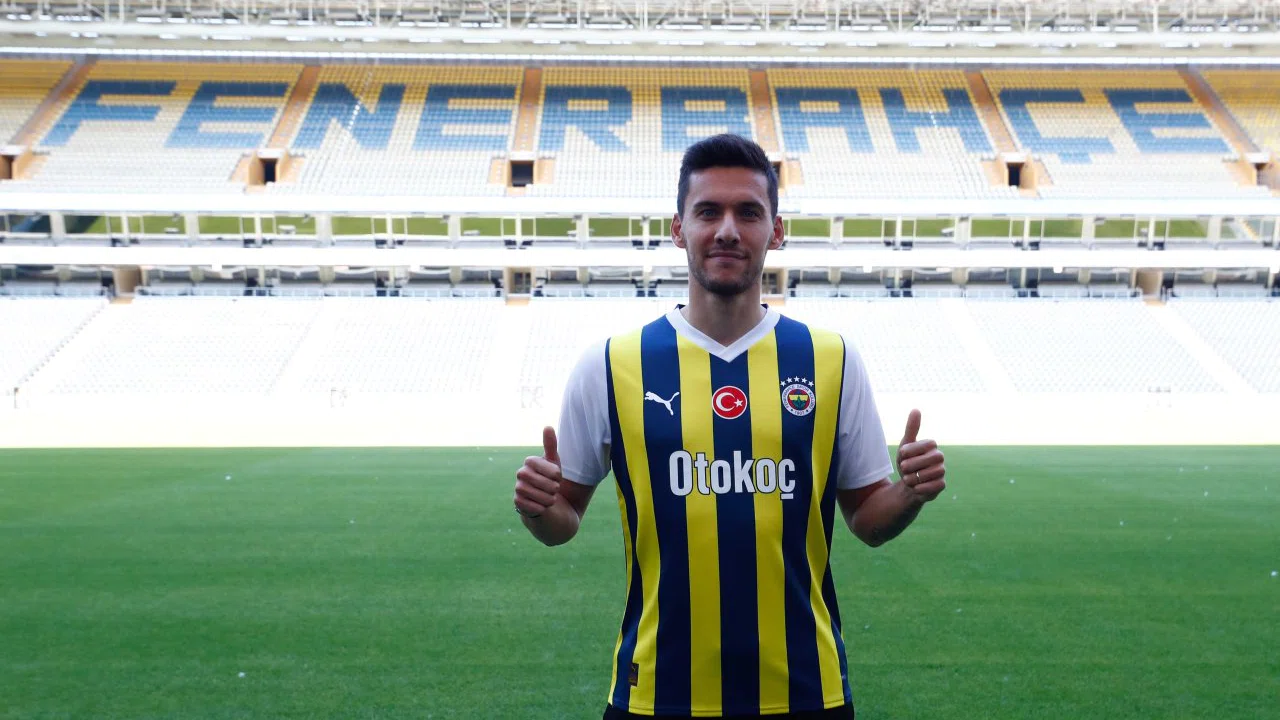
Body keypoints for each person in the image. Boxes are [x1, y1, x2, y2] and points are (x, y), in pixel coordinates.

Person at [513, 133, 947, 720]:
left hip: (805, 691)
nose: (726, 230)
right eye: (707, 212)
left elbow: (869, 521)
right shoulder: (612, 364)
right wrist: (538, 508)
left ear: (776, 230)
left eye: (748, 212)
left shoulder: (830, 359)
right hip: (657, 693)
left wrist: (910, 493)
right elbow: (561, 522)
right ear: (678, 229)